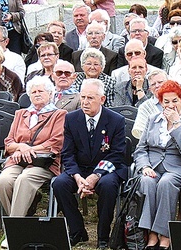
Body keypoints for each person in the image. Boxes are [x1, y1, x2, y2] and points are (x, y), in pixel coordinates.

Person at [52, 79, 127, 249]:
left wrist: (96, 175)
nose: (85, 102)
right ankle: (77, 230)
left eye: (90, 98)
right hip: (80, 168)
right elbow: (68, 153)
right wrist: (77, 177)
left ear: (102, 99)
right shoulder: (71, 118)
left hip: (107, 170)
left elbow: (117, 154)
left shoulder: (116, 120)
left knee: (108, 186)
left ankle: (103, 235)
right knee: (60, 184)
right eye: (83, 97)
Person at [0, 76, 66, 248]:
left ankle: (13, 233)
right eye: (33, 92)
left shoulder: (59, 114)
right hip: (17, 160)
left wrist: (31, 150)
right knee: (3, 181)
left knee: (24, 179)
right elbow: (9, 142)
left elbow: (56, 142)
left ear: (50, 94)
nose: (37, 94)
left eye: (40, 91)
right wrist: (21, 147)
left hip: (44, 163)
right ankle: (23, 221)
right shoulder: (20, 114)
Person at [135, 80, 181, 250]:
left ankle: (164, 234)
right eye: (166, 102)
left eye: (175, 101)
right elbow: (141, 149)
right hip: (153, 166)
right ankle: (150, 233)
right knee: (148, 181)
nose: (171, 105)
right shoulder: (153, 119)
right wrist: (145, 167)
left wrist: (176, 124)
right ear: (161, 103)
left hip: (180, 167)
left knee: (166, 182)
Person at [132, 69, 181, 139]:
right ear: (150, 89)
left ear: (168, 82)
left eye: (160, 82)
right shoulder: (145, 107)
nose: (157, 85)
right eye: (153, 84)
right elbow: (138, 132)